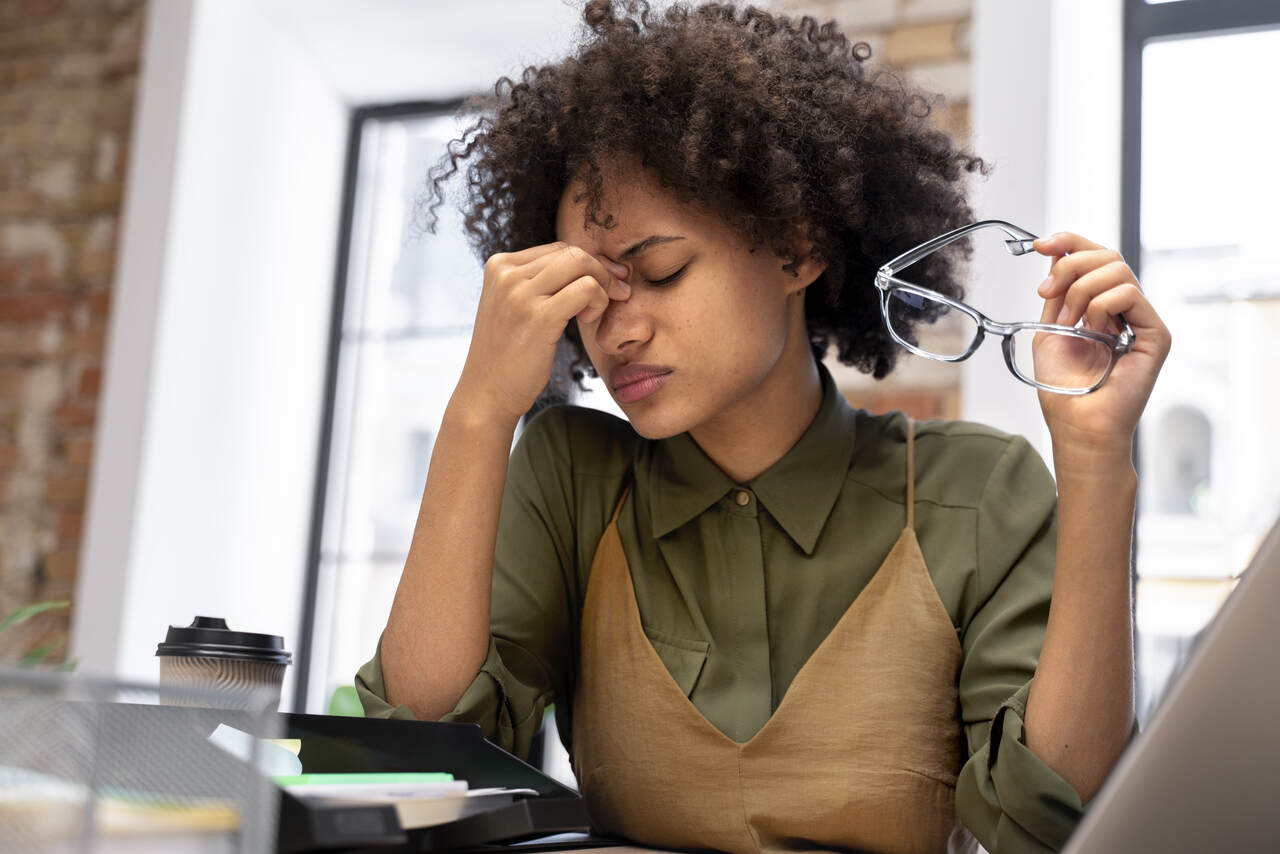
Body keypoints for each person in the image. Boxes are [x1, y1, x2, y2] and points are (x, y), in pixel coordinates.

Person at [355, 2, 1172, 852]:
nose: (618, 328)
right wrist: (479, 412)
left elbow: (1054, 819)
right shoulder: (572, 476)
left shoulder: (974, 492)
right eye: (591, 293)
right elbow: (416, 762)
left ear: (796, 247)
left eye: (661, 271)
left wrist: (1095, 459)